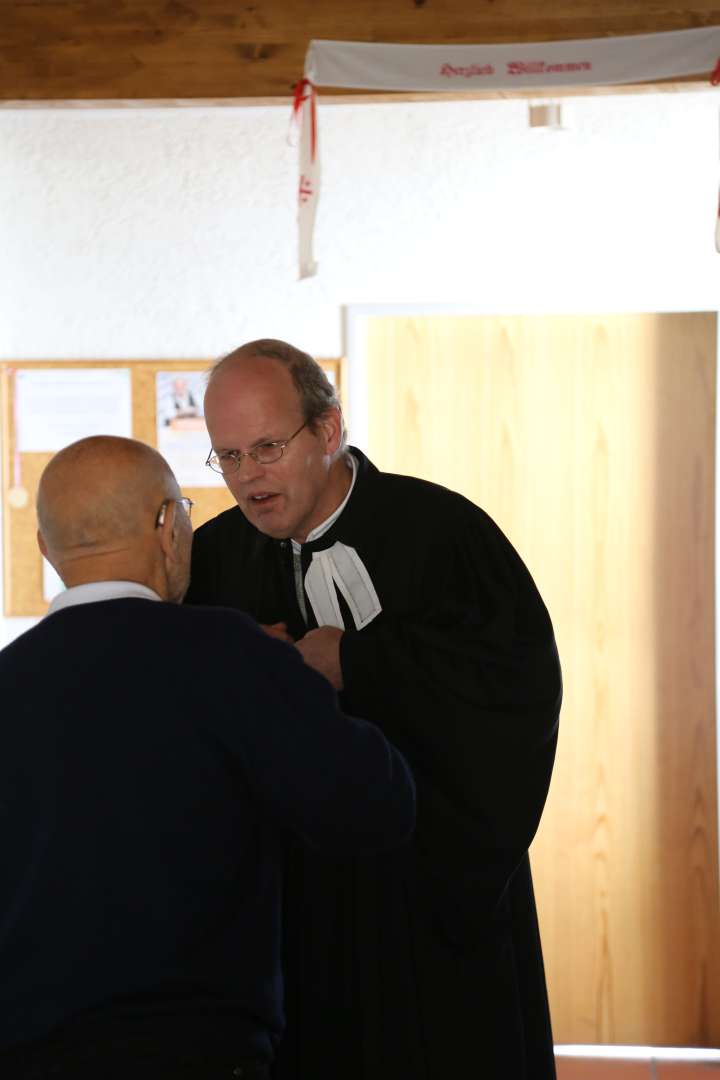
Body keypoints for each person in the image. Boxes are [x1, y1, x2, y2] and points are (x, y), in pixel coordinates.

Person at [186, 339, 563, 1080]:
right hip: (291, 907)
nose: (247, 478)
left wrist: (353, 663)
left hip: (425, 893)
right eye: (226, 456)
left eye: (266, 447)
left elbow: (514, 688)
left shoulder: (442, 532)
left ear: (329, 431)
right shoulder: (213, 561)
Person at [0, 435, 416, 1080]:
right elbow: (376, 804)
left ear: (45, 549)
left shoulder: (9, 680)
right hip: (200, 1050)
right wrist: (304, 681)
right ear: (170, 527)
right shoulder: (229, 654)